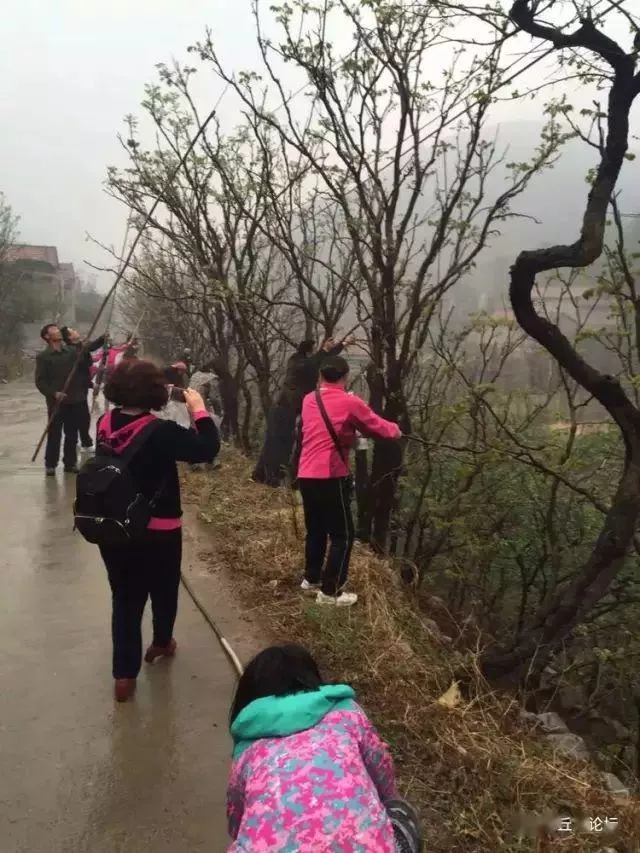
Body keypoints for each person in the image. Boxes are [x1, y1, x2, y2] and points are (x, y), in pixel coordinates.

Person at [96, 359, 219, 702]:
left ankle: (124, 677)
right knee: (163, 589)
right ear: (154, 391)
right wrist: (198, 409)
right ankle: (162, 642)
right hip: (159, 528)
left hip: (115, 528)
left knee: (125, 598)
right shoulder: (161, 431)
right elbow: (207, 448)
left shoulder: (105, 423)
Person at [227, 644, 422, 853]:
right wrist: (385, 801)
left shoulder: (247, 751)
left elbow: (236, 819)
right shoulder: (346, 714)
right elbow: (381, 769)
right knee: (400, 813)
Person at [297, 356, 401, 606]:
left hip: (305, 473)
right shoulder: (350, 402)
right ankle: (330, 592)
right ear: (344, 377)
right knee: (342, 534)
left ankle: (311, 579)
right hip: (330, 475)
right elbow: (377, 427)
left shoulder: (309, 399)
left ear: (321, 376)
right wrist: (397, 430)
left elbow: (324, 428)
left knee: (316, 529)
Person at [252, 336, 348, 487]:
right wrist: (324, 350)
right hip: (284, 411)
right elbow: (313, 363)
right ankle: (267, 477)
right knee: (277, 445)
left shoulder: (303, 362)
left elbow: (321, 360)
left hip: (287, 411)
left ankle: (270, 476)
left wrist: (340, 346)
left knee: (282, 445)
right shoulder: (297, 363)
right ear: (308, 352)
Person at [35, 323, 87, 475]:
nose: (58, 331)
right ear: (47, 336)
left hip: (74, 399)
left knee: (72, 434)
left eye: (57, 329)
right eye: (53, 330)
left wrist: (79, 343)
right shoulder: (43, 357)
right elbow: (40, 381)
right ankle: (50, 464)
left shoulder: (71, 351)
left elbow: (85, 361)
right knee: (54, 434)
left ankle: (70, 463)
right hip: (55, 402)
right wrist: (54, 393)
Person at [60, 326, 106, 449]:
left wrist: (102, 339)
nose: (76, 331)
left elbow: (89, 348)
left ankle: (82, 442)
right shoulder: (71, 350)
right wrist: (101, 339)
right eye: (73, 331)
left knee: (83, 417)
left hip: (81, 388)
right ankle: (83, 443)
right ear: (69, 337)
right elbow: (87, 349)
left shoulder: (79, 347)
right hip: (74, 391)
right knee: (80, 418)